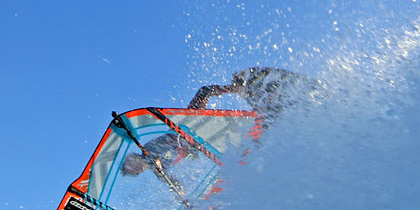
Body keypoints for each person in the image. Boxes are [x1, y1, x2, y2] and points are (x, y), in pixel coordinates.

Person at [121, 67, 314, 177]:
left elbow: (162, 151)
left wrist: (158, 160)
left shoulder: (147, 150)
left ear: (134, 157)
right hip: (202, 142)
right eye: (134, 171)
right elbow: (175, 185)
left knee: (204, 91)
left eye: (132, 163)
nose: (135, 167)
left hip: (189, 128)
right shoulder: (159, 173)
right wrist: (184, 199)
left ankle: (238, 88)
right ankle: (263, 126)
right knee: (246, 138)